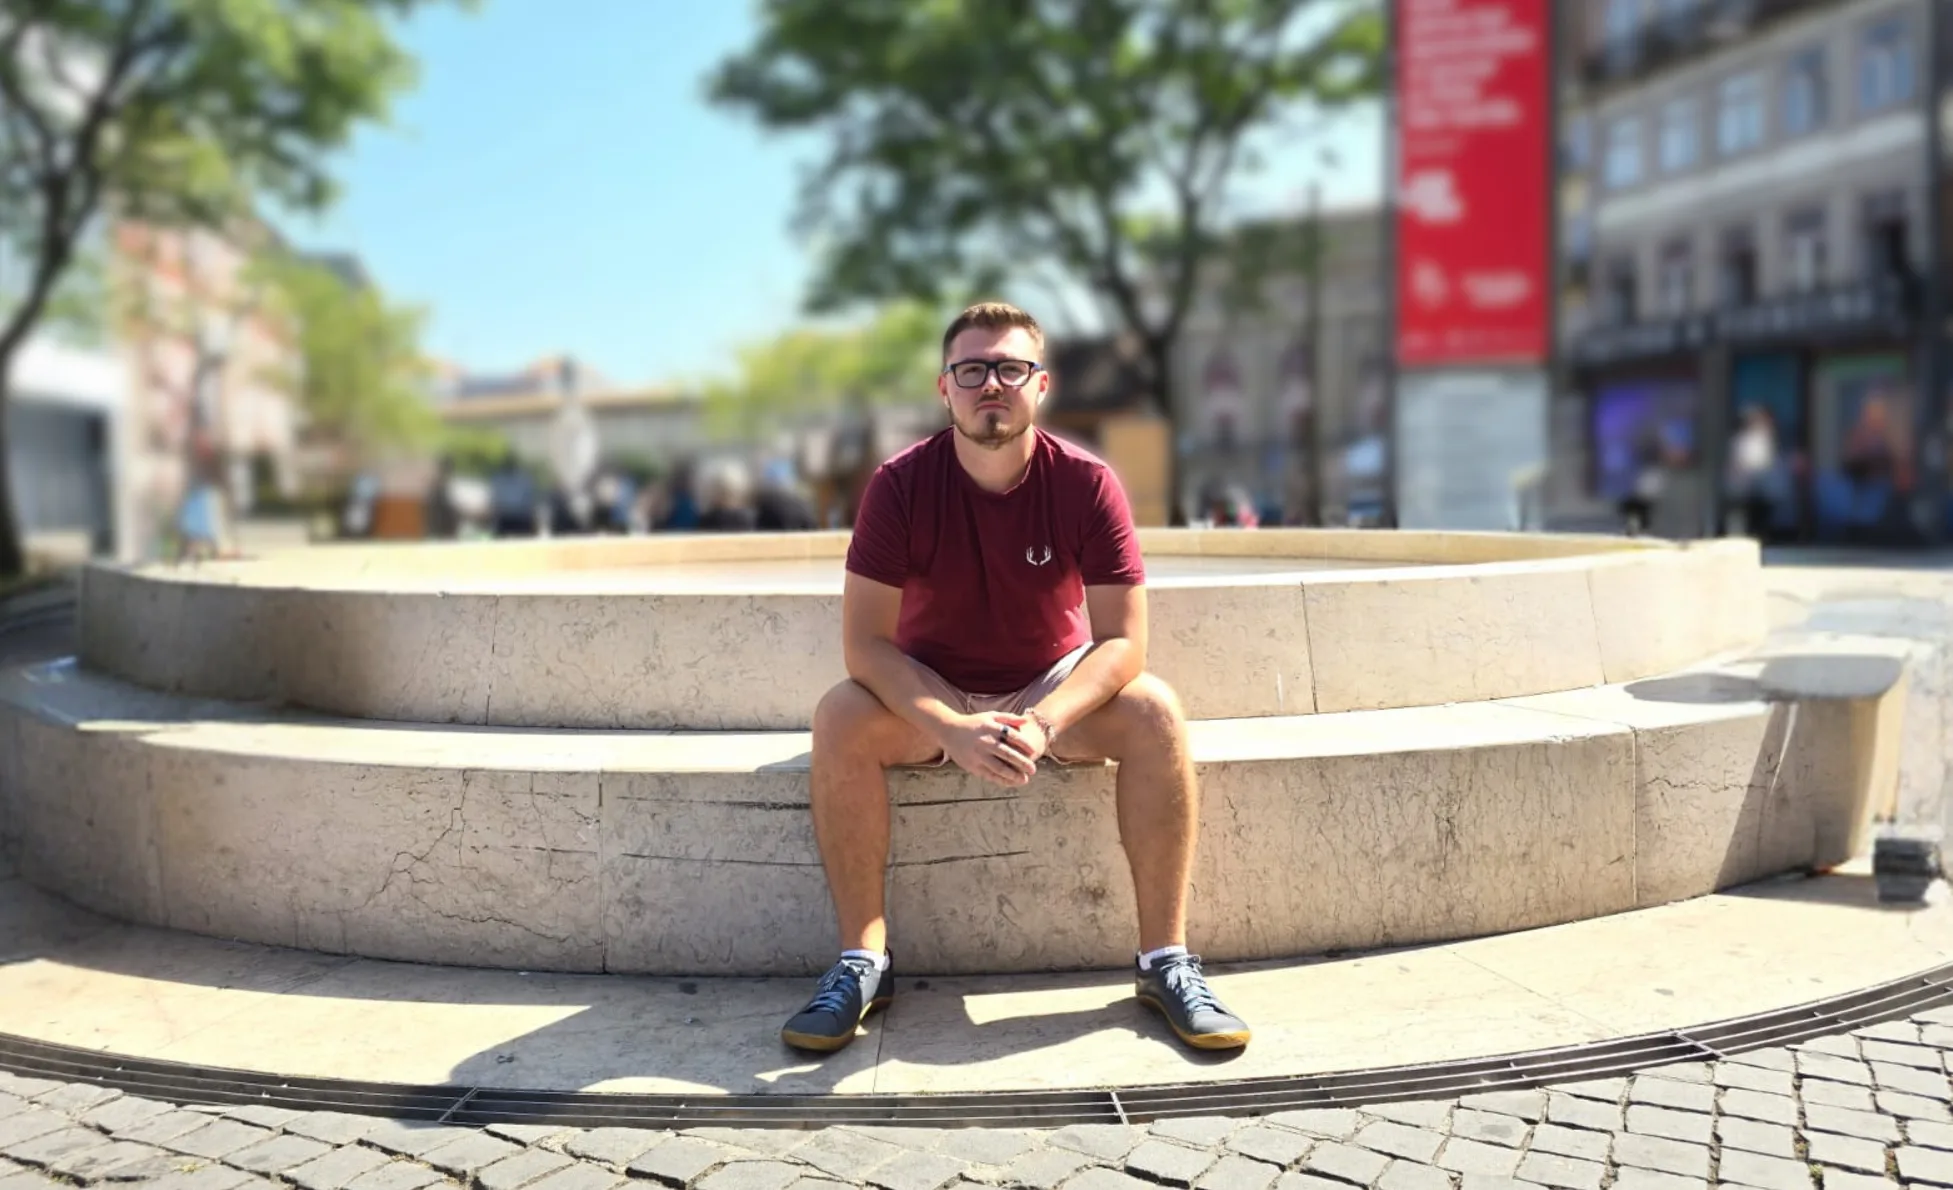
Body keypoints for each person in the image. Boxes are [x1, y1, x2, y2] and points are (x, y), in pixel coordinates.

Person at [780, 302, 1251, 1055]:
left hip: (1047, 684)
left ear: (1041, 385)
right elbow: (865, 646)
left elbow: (1123, 642)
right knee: (840, 714)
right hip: (933, 685)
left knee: (1155, 710)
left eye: (1009, 368)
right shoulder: (899, 485)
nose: (990, 384)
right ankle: (863, 963)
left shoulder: (1087, 483)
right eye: (971, 370)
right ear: (944, 388)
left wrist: (1044, 720)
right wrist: (949, 726)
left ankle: (1164, 961)